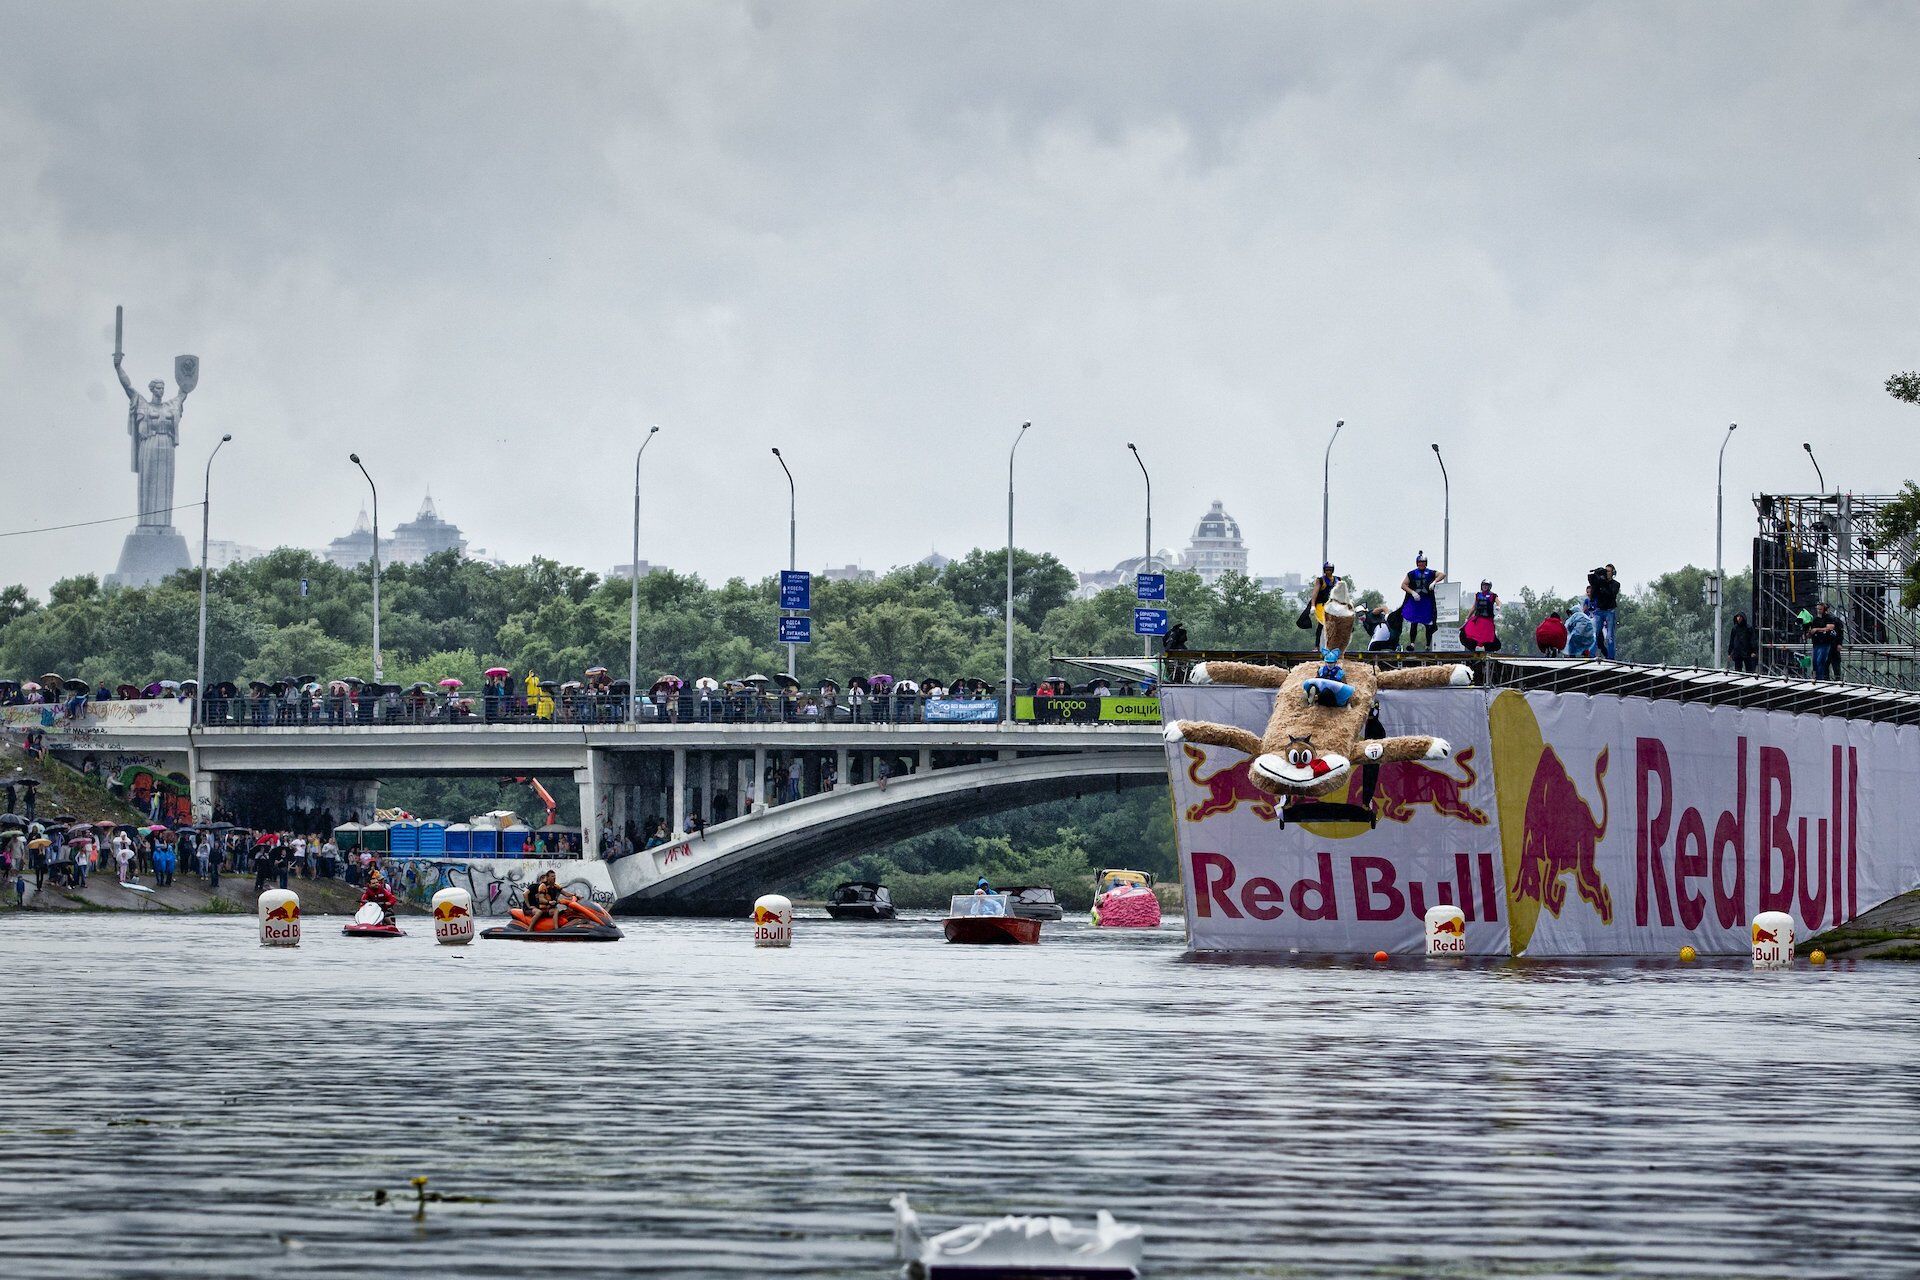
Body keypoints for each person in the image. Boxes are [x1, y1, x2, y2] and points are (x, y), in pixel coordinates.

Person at [1399, 553, 1444, 649]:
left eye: (1423, 562)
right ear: (1417, 563)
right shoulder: (1411, 574)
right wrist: (1412, 593)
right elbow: (1403, 585)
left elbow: (1442, 574)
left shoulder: (1431, 572)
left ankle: (1427, 645)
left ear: (1426, 563)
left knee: (1428, 623)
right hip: (1416, 601)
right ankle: (1412, 644)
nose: (1421, 564)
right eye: (1419, 562)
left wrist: (1434, 581)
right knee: (1414, 622)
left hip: (1427, 602)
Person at [1588, 564, 1621, 659]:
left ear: (1613, 573)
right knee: (1595, 634)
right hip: (1599, 611)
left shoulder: (1616, 584)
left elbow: (1611, 594)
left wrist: (1603, 583)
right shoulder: (1599, 583)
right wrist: (1596, 579)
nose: (1606, 573)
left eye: (1608, 571)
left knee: (1610, 636)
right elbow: (1593, 596)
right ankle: (1591, 656)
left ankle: (1611, 658)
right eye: (1605, 571)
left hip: (1610, 611)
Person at [1806, 602, 1843, 680]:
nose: (1819, 611)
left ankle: (1837, 681)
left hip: (1833, 645)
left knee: (1835, 665)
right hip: (1821, 644)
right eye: (1818, 609)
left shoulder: (1834, 620)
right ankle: (1825, 680)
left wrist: (1839, 643)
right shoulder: (1815, 620)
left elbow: (1839, 632)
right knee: (1824, 665)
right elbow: (1811, 633)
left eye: (1821, 609)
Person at [1461, 581, 1501, 652]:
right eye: (1484, 585)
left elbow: (1498, 602)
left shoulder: (1493, 595)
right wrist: (1467, 617)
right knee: (1466, 630)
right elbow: (1474, 607)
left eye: (1487, 585)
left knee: (1488, 636)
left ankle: (1487, 649)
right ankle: (1473, 648)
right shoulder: (1478, 595)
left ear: (1489, 587)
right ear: (1481, 586)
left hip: (1488, 620)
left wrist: (1498, 606)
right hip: (1478, 619)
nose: (1485, 587)